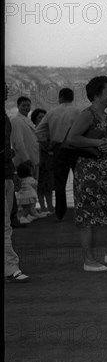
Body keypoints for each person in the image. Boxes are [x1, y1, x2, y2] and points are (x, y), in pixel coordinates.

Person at [66, 76, 107, 272]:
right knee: (87, 215)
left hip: (105, 171)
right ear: (97, 95)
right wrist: (96, 143)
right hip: (87, 172)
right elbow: (72, 138)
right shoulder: (88, 115)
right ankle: (89, 260)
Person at [35, 88, 81, 221]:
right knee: (79, 181)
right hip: (75, 148)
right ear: (72, 98)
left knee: (60, 183)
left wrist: (47, 144)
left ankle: (60, 214)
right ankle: (80, 211)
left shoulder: (51, 112)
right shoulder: (78, 112)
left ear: (60, 97)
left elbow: (38, 131)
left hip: (58, 149)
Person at [4, 83, 30, 283]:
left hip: (7, 174)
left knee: (5, 225)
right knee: (5, 225)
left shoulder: (5, 116)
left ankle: (10, 266)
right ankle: (12, 267)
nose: (6, 88)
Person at [30, 108, 54, 214]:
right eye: (40, 117)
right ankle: (43, 208)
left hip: (49, 162)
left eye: (44, 117)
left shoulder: (50, 131)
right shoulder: (33, 131)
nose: (42, 119)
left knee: (49, 185)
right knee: (40, 186)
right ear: (35, 119)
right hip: (38, 161)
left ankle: (50, 206)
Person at [10, 96, 40, 179]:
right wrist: (26, 159)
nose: (26, 108)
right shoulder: (16, 120)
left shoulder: (27, 120)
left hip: (33, 160)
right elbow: (18, 142)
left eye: (28, 105)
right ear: (18, 106)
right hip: (25, 162)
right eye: (23, 105)